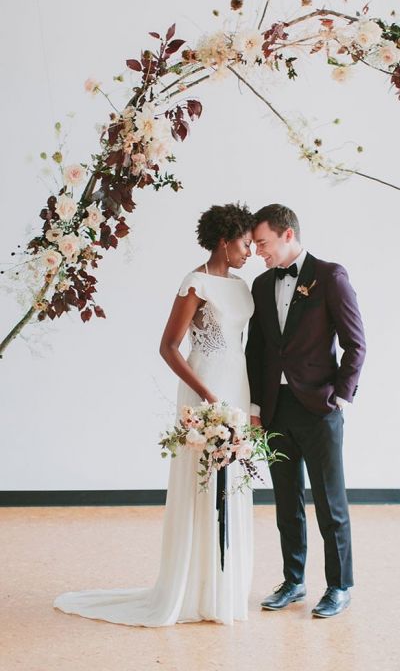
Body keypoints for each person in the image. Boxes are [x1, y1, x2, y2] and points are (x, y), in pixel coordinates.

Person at [53, 202, 255, 626]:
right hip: (206, 389)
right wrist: (207, 395)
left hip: (237, 385)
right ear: (225, 239)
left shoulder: (241, 286)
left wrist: (243, 402)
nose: (250, 251)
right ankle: (194, 587)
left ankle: (223, 587)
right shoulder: (195, 283)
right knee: (203, 482)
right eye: (245, 243)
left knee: (232, 481)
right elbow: (168, 346)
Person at [246, 204, 366, 618]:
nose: (257, 250)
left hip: (319, 407)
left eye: (262, 242)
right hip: (276, 410)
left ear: (287, 235)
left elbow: (356, 343)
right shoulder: (261, 286)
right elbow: (257, 349)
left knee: (330, 502)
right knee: (286, 501)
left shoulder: (330, 276)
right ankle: (294, 581)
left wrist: (339, 395)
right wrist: (257, 406)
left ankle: (339, 586)